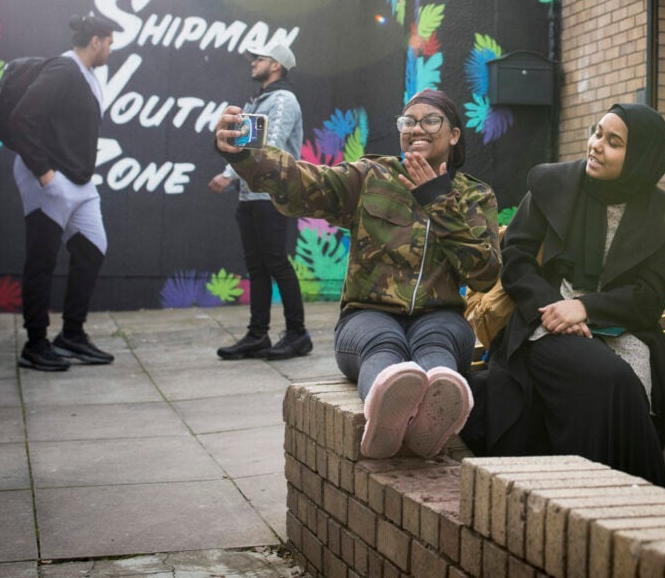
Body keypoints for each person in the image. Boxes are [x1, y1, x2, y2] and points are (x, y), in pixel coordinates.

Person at [213, 88, 500, 458]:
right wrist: (246, 156)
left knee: (437, 348)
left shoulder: (475, 196)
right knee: (384, 347)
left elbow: (484, 274)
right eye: (408, 122)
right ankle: (385, 412)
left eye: (431, 120)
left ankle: (435, 419)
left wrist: (439, 201)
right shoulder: (373, 176)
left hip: (440, 316)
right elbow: (308, 184)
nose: (417, 129)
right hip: (367, 314)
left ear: (455, 134)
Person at [462, 103, 665, 487]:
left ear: (641, 157)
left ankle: (618, 502)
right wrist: (557, 309)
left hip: (618, 324)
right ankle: (632, 499)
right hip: (544, 317)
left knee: (630, 381)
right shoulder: (555, 185)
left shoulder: (659, 211)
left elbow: (650, 294)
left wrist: (585, 308)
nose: (596, 145)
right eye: (598, 133)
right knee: (612, 378)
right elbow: (515, 259)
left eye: (614, 142)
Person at [11, 11, 122, 371]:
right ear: (96, 42)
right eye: (109, 43)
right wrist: (44, 173)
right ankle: (36, 343)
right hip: (48, 178)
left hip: (80, 182)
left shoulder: (87, 74)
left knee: (92, 249)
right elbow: (22, 119)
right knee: (42, 260)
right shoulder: (63, 69)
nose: (110, 50)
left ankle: (72, 334)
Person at [209, 38, 311, 360]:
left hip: (273, 196)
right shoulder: (260, 99)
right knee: (258, 267)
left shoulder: (283, 100)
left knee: (276, 263)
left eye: (259, 58)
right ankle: (257, 335)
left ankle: (298, 335)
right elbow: (247, 144)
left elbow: (270, 144)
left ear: (276, 65)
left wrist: (228, 174)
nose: (252, 62)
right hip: (251, 196)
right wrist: (233, 175)